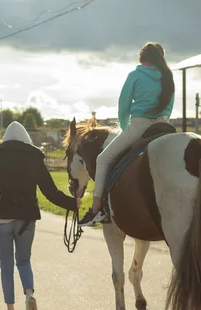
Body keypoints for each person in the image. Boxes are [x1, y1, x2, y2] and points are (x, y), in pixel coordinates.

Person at [0, 121, 81, 310]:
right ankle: (29, 294)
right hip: (26, 219)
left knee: (6, 265)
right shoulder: (34, 159)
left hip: (2, 218)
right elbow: (50, 192)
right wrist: (73, 203)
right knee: (23, 260)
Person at [78, 42, 175, 226]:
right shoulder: (167, 76)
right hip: (165, 127)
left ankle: (97, 209)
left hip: (139, 127)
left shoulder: (135, 75)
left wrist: (125, 129)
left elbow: (123, 108)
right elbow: (169, 107)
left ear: (142, 57)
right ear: (161, 57)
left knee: (103, 159)